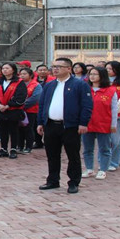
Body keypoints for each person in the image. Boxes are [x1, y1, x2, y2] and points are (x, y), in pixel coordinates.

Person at [37, 57, 93, 194]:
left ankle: (73, 182)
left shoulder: (79, 85)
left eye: (59, 67)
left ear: (69, 69)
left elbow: (87, 106)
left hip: (70, 126)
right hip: (51, 124)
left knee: (73, 155)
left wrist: (83, 123)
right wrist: (40, 122)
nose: (55, 69)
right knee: (52, 154)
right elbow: (42, 105)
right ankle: (53, 180)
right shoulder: (49, 85)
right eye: (54, 66)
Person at [82, 67, 118, 180]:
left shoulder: (110, 91)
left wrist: (113, 124)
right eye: (90, 74)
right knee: (87, 149)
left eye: (95, 74)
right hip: (87, 123)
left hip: (104, 123)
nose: (92, 76)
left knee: (104, 148)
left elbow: (114, 109)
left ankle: (103, 170)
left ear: (102, 76)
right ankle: (89, 169)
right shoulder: (85, 89)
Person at [0, 63, 27, 159]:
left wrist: (8, 105)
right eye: (3, 68)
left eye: (7, 68)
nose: (5, 70)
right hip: (0, 110)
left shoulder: (19, 82)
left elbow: (21, 96)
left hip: (13, 110)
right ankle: (3, 149)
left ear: (13, 70)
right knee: (2, 130)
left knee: (14, 130)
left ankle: (13, 149)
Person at [18, 67, 43, 152]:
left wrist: (22, 104)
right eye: (21, 74)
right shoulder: (18, 84)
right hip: (18, 110)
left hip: (31, 110)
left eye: (24, 74)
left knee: (28, 128)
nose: (22, 76)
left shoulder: (36, 85)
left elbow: (35, 98)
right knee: (19, 129)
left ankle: (28, 146)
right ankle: (20, 146)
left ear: (30, 75)